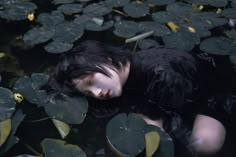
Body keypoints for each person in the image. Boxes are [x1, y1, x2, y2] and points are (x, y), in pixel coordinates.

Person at [44, 40, 235, 156]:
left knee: (204, 144)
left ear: (106, 59)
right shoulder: (121, 77)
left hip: (208, 98)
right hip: (170, 101)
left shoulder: (160, 73)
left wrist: (149, 121)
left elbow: (163, 114)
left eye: (91, 81)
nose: (96, 93)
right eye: (88, 92)